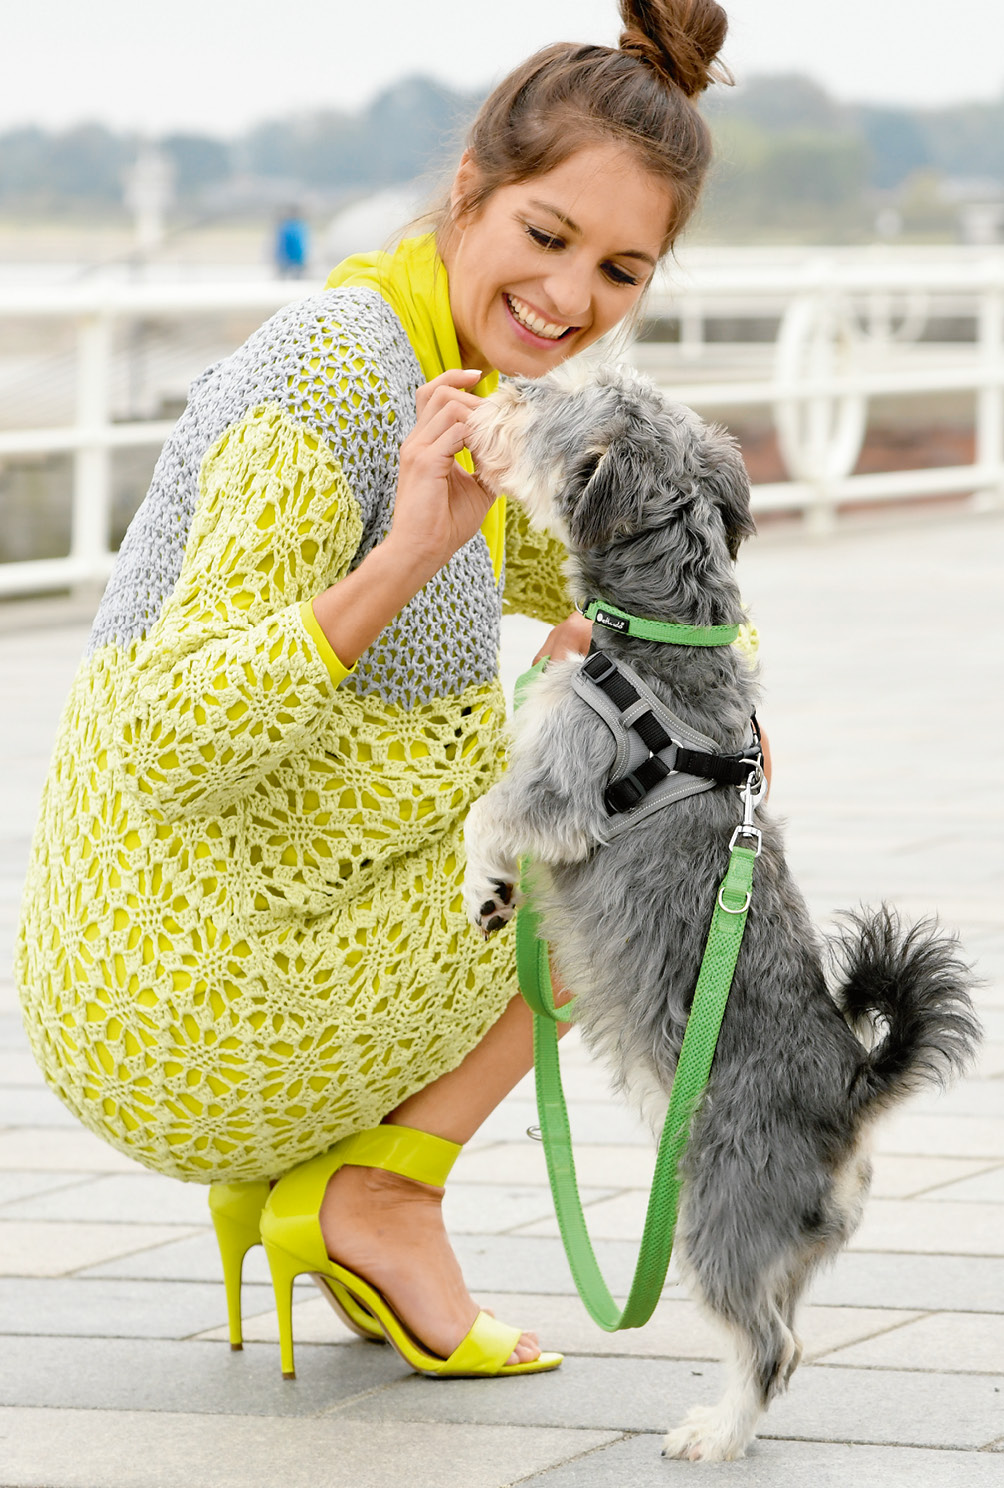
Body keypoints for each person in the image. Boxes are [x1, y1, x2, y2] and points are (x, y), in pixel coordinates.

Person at [17, 0, 741, 1376]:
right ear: (470, 192)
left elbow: (585, 569)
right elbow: (172, 739)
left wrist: (686, 657)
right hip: (185, 985)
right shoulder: (335, 378)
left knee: (671, 747)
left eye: (621, 270)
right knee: (667, 826)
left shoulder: (445, 368)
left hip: (238, 920)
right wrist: (410, 555)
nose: (574, 299)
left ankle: (341, 1182)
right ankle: (381, 1194)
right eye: (547, 238)